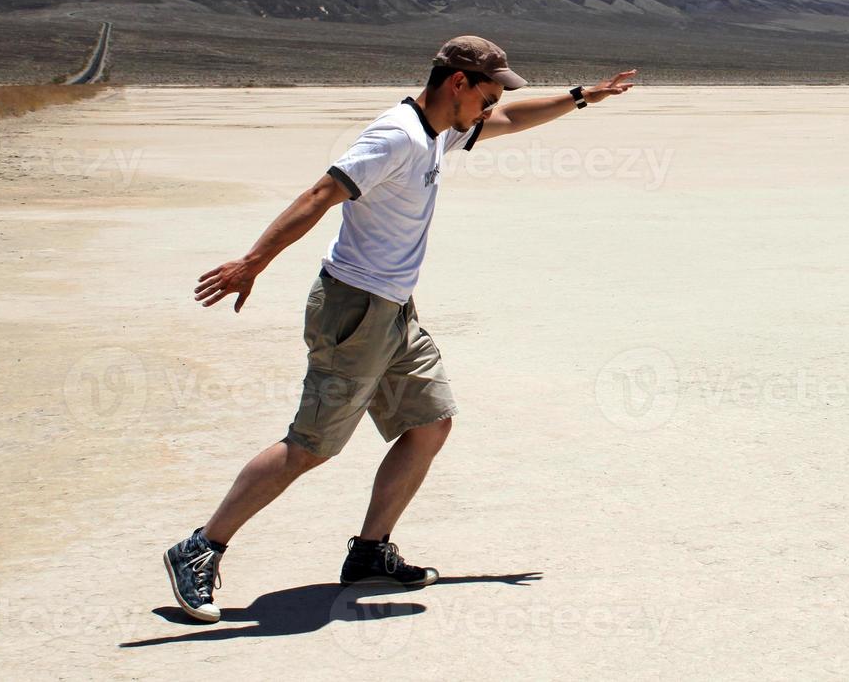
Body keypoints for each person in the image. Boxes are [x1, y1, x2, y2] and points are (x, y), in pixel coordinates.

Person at [163, 35, 637, 623]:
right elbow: (322, 193)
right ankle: (200, 547)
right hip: (354, 310)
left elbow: (513, 119)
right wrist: (252, 262)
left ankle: (369, 553)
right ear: (457, 84)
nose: (490, 110)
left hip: (394, 309)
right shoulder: (397, 136)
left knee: (430, 422)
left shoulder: (441, 130)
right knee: (309, 446)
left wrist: (581, 97)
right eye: (485, 96)